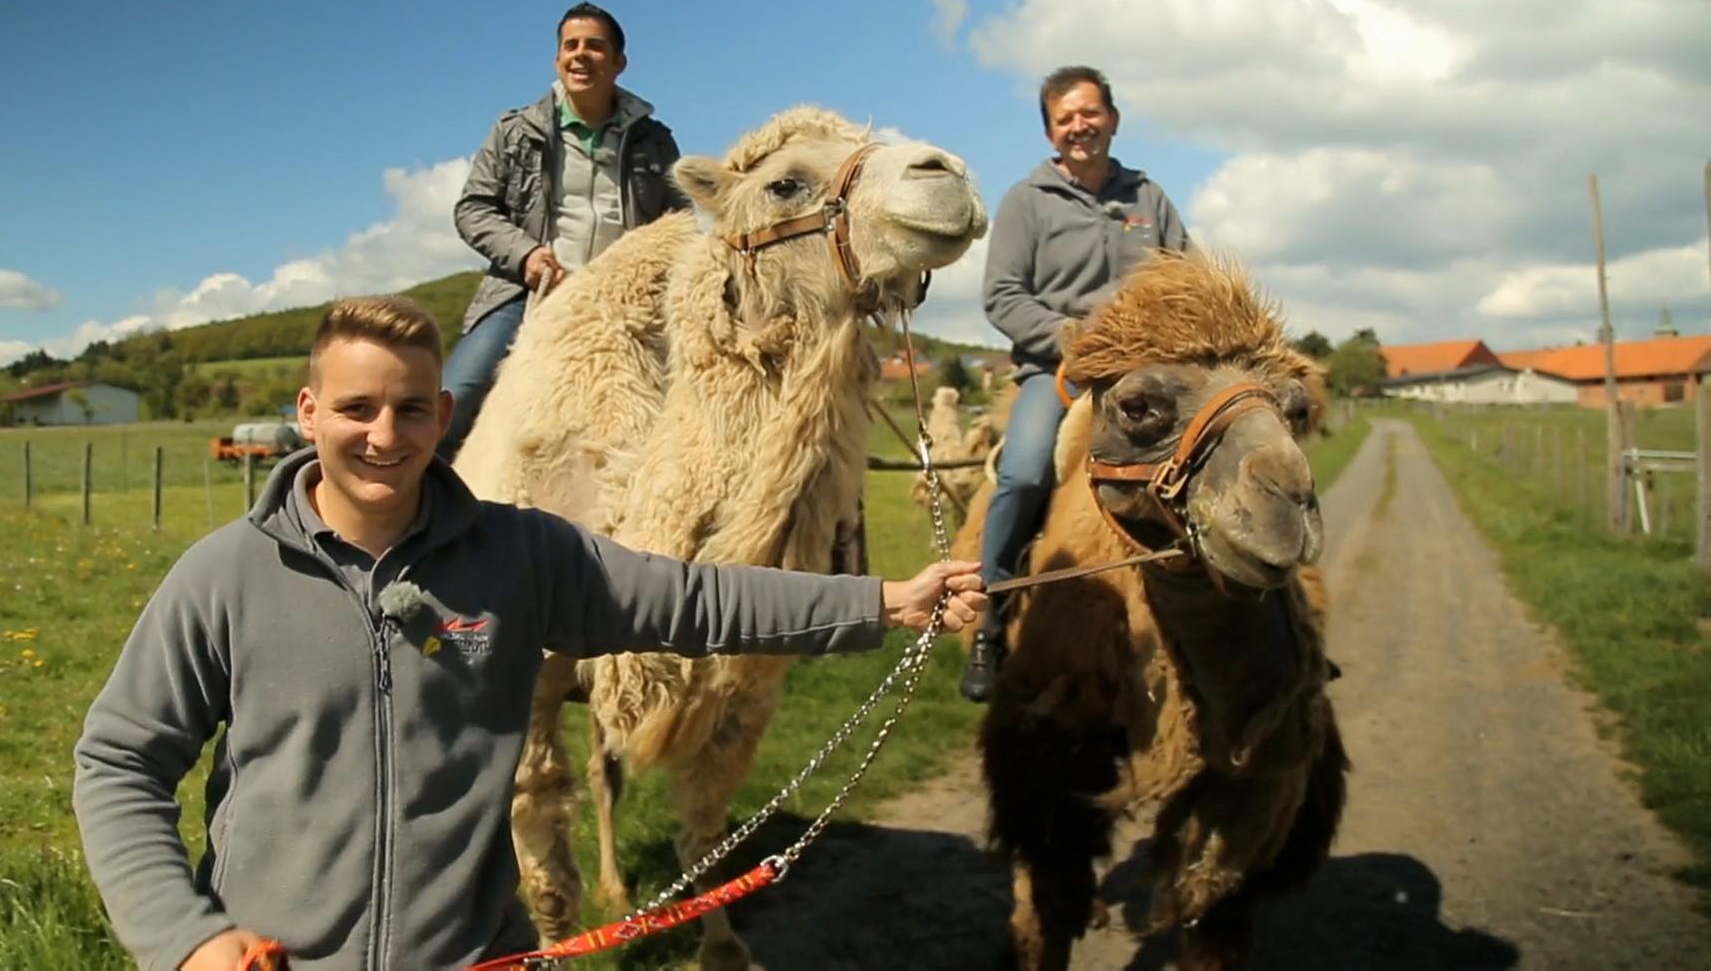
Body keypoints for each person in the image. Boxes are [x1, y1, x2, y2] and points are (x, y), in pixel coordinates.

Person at [73, 295, 986, 971]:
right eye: (356, 409)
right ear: (307, 414)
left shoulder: (520, 556)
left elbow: (698, 601)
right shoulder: (224, 576)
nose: (384, 435)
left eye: (411, 409)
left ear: (446, 414)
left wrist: (884, 602)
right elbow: (119, 762)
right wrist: (185, 938)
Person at [960, 66, 1190, 703]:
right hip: (1057, 373)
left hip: (1150, 373)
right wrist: (1070, 340)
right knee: (1027, 472)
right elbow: (1002, 296)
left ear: (1112, 119)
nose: (1080, 126)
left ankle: (1268, 613)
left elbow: (1186, 274)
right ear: (1050, 131)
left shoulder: (1148, 198)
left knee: (1221, 455)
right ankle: (992, 620)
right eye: (1066, 118)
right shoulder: (1026, 201)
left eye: (1090, 114)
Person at [438, 1, 686, 461]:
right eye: (570, 45)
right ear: (557, 60)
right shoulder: (515, 130)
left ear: (618, 63)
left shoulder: (655, 140)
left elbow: (683, 222)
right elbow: (473, 208)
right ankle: (424, 521)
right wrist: (527, 255)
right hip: (527, 293)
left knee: (700, 405)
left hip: (628, 305)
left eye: (594, 46)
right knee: (449, 402)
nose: (580, 55)